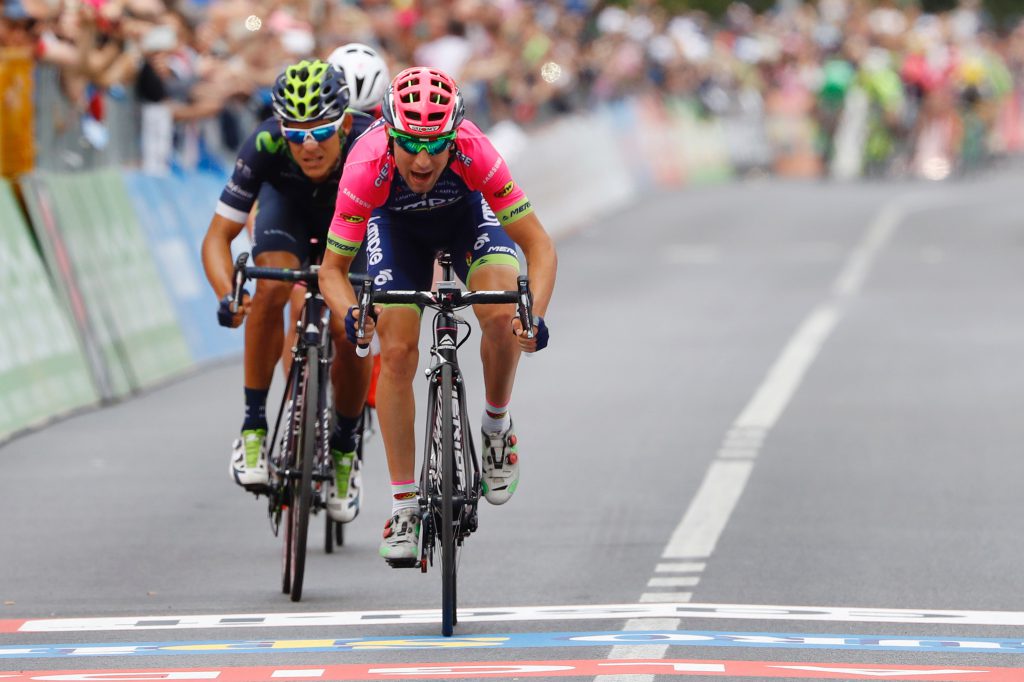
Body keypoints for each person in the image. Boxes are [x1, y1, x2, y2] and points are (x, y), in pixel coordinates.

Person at [318, 66, 557, 562]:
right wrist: (350, 317)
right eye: (409, 143)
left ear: (455, 137)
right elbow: (332, 273)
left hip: (466, 215)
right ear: (388, 134)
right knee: (398, 347)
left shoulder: (477, 152)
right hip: (396, 228)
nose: (423, 159)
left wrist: (532, 315)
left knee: (499, 308)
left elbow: (539, 246)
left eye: (436, 144)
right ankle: (404, 505)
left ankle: (495, 426)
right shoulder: (365, 163)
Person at [201, 59, 372, 524]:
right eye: (296, 134)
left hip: (350, 224)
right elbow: (217, 238)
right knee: (270, 284)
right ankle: (253, 426)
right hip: (287, 215)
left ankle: (344, 450)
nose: (309, 145)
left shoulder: (370, 143)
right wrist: (228, 295)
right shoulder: (264, 142)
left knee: (348, 327)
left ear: (347, 122)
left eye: (321, 131)